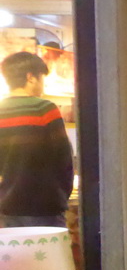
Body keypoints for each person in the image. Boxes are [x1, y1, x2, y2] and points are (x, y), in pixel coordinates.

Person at [0, 51, 74, 228]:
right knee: (48, 254)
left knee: (17, 255)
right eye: (42, 78)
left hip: (8, 207)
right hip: (44, 206)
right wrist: (61, 195)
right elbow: (63, 159)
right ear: (31, 77)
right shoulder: (45, 109)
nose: (42, 85)